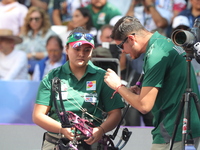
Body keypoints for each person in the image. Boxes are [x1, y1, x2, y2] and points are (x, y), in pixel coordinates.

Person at [104, 16, 200, 149]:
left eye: (121, 46)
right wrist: (142, 92)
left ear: (131, 39)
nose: (123, 51)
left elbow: (144, 106)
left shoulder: (155, 54)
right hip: (186, 126)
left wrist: (118, 86)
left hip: (173, 130)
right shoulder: (163, 42)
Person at [32, 27, 124, 150]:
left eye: (87, 50)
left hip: (92, 145)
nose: (81, 54)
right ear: (66, 49)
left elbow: (115, 113)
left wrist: (100, 130)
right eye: (77, 49)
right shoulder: (52, 77)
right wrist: (61, 129)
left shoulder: (103, 77)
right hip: (56, 143)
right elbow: (38, 115)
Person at [16, 6, 57, 75]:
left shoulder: (50, 35)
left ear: (42, 19)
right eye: (31, 19)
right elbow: (16, 52)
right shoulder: (23, 35)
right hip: (24, 68)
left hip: (44, 68)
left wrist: (33, 55)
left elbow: (55, 53)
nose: (33, 21)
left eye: (36, 19)